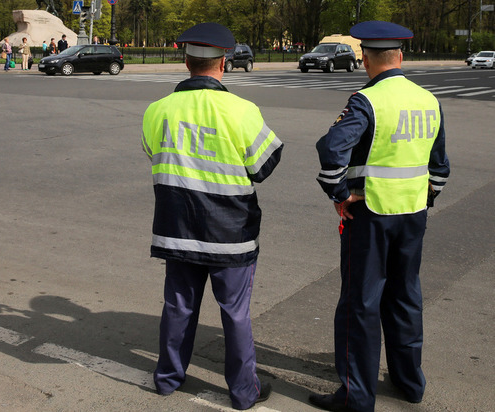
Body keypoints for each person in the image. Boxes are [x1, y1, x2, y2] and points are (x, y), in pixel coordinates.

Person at [141, 22, 283, 411]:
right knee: (235, 313)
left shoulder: (157, 111)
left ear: (186, 62)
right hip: (230, 233)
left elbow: (153, 153)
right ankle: (243, 392)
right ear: (224, 63)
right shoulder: (242, 110)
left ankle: (167, 379)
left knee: (178, 306)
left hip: (177, 231)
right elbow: (265, 165)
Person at [309, 21, 450, 412]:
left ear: (367, 60)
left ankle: (356, 396)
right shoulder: (428, 100)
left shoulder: (366, 100)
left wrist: (339, 195)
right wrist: (425, 197)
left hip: (370, 215)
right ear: (400, 57)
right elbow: (440, 169)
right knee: (405, 297)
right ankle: (409, 384)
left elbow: (331, 150)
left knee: (361, 304)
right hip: (413, 215)